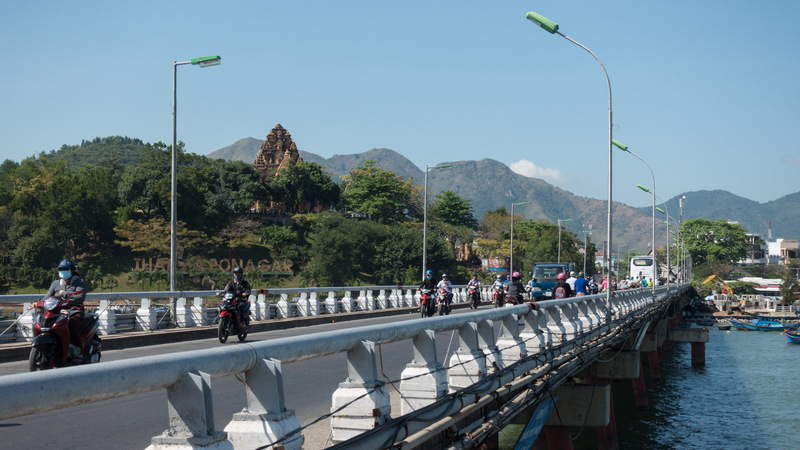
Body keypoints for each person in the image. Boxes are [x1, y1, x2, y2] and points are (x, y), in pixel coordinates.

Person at [45, 259, 86, 357]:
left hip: (74, 312)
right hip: (58, 313)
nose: (62, 271)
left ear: (71, 270)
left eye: (65, 269)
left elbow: (80, 297)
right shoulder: (56, 283)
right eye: (60, 269)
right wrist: (37, 303)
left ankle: (78, 352)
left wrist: (64, 294)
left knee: (71, 325)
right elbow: (47, 297)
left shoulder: (79, 281)